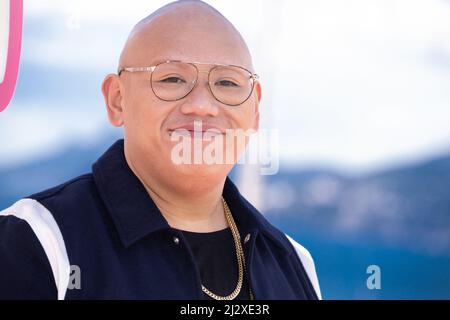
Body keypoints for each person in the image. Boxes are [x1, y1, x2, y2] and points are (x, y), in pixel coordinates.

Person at [0, 0, 321, 300]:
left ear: (254, 112)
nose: (202, 106)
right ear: (117, 99)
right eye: (172, 78)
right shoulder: (38, 239)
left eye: (227, 83)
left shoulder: (291, 261)